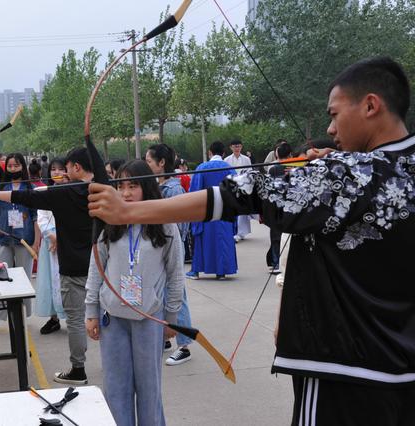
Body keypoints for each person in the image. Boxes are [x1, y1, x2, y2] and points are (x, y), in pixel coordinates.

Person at [88, 57, 415, 425]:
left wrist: (127, 213)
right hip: (401, 369)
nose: (330, 127)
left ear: (371, 106)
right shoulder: (375, 170)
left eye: (335, 114)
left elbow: (238, 195)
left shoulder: (346, 174)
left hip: (344, 369)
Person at [0, 147, 93, 385]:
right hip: (100, 266)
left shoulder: (63, 192)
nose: (62, 173)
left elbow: (27, 197)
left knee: (75, 319)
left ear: (77, 168)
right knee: (104, 317)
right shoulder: (103, 190)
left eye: (67, 168)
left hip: (74, 267)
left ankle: (78, 369)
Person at [85, 160, 184, 426]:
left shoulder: (164, 225)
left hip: (150, 318)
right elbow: (97, 269)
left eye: (133, 186)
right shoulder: (111, 223)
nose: (126, 192)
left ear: (148, 188)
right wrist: (91, 311)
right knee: (116, 388)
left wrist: (172, 316)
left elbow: (176, 274)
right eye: (121, 186)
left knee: (149, 390)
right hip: (112, 319)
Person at [0, 153, 39, 335]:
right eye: (10, 166)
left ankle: (20, 317)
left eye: (16, 165)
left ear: (23, 167)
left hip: (25, 240)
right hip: (4, 240)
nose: (13, 169)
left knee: (24, 280)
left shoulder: (30, 188)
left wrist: (36, 242)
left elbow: (36, 217)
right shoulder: (1, 188)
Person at [145, 143, 194, 365]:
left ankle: (184, 345)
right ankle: (164, 338)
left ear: (161, 163)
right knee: (160, 293)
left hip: (171, 247)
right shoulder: (159, 187)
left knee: (177, 295)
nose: (146, 165)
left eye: (148, 161)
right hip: (159, 248)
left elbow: (180, 225)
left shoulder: (173, 190)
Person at [189, 141, 238, 280]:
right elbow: (237, 190)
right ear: (223, 153)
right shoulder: (229, 168)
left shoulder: (202, 168)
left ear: (209, 152)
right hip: (225, 211)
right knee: (223, 240)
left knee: (203, 241)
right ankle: (221, 272)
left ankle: (196, 271)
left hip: (206, 211)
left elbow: (194, 190)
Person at [35, 157, 68, 334]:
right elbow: (41, 216)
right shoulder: (44, 191)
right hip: (50, 242)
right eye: (53, 169)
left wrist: (61, 236)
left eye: (61, 169)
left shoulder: (74, 190)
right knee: (50, 279)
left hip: (69, 241)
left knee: (69, 280)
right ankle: (54, 318)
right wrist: (51, 235)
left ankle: (75, 318)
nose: (57, 172)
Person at [266, 142, 293, 274]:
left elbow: (268, 190)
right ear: (290, 154)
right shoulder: (294, 168)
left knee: (276, 236)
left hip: (276, 207)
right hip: (291, 207)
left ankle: (276, 264)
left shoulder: (273, 169)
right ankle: (288, 263)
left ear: (277, 154)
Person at [224, 139, 252, 241]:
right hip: (231, 186)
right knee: (232, 209)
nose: (237, 148)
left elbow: (250, 172)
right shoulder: (226, 160)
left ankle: (241, 233)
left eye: (239, 146)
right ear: (231, 147)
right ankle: (234, 232)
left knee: (242, 211)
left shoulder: (246, 159)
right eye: (235, 146)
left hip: (243, 186)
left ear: (241, 147)